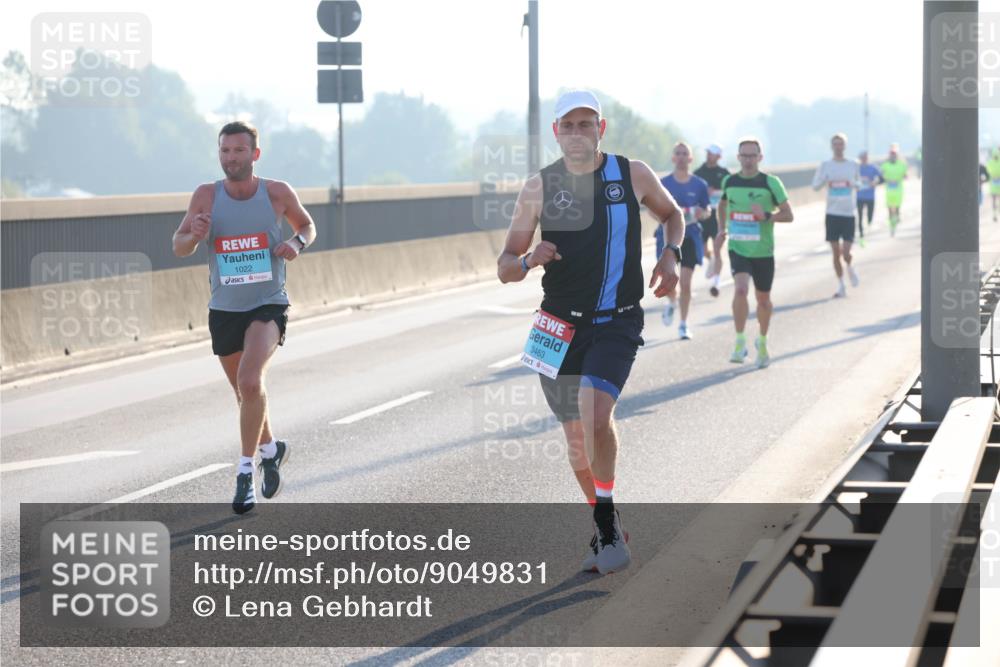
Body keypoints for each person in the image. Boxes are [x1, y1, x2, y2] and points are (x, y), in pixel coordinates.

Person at [497, 90, 682, 574]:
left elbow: (672, 215)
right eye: (568, 125)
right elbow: (505, 266)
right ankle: (607, 522)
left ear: (601, 128)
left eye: (586, 124)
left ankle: (606, 529)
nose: (577, 133)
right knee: (577, 441)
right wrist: (528, 260)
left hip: (616, 320)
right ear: (556, 132)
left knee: (595, 412)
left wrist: (670, 255)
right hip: (556, 327)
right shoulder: (538, 188)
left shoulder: (631, 173)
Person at [172, 121, 317, 515]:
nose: (231, 158)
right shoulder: (206, 196)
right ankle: (271, 449)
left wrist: (296, 242)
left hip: (268, 303)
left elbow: (307, 225)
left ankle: (244, 473)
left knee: (250, 380)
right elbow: (179, 246)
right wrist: (194, 234)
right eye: (225, 151)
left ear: (255, 154)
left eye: (238, 151)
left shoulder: (276, 192)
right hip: (225, 308)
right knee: (245, 393)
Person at [716, 137, 794, 368]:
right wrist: (721, 228)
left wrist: (767, 216)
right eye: (744, 155)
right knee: (740, 289)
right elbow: (722, 204)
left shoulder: (770, 183)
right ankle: (740, 341)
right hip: (738, 247)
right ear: (738, 157)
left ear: (760, 158)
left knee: (763, 300)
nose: (748, 160)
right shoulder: (730, 181)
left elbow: (789, 215)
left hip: (763, 251)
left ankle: (762, 340)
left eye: (752, 155)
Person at [657, 141, 711, 339]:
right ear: (673, 158)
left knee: (686, 283)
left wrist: (701, 213)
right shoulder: (662, 183)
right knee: (669, 283)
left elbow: (707, 209)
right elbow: (652, 210)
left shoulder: (699, 184)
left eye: (684, 154)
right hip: (667, 238)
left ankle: (683, 324)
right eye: (678, 153)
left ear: (690, 158)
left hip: (690, 237)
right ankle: (672, 302)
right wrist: (664, 218)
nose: (681, 157)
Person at [813, 133, 861, 298]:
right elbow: (815, 186)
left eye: (841, 144)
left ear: (845, 146)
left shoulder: (853, 164)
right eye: (835, 144)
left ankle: (850, 267)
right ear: (831, 146)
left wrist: (852, 183)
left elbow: (860, 184)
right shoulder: (825, 165)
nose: (838, 147)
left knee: (846, 252)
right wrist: (825, 180)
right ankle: (841, 285)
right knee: (835, 253)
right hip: (832, 213)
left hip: (848, 213)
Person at [695, 144, 731, 297]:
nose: (709, 155)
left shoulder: (724, 174)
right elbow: (693, 191)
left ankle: (716, 282)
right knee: (703, 250)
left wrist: (715, 191)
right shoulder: (698, 173)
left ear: (719, 156)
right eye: (708, 152)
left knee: (717, 249)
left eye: (712, 153)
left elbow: (731, 193)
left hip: (719, 217)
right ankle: (710, 260)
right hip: (703, 217)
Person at [880, 144, 908, 235]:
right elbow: (881, 175)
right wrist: (886, 179)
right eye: (891, 154)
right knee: (889, 210)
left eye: (894, 154)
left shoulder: (902, 164)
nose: (893, 155)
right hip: (889, 191)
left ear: (897, 155)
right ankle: (892, 227)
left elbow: (905, 176)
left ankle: (895, 222)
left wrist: (901, 177)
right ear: (889, 155)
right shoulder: (885, 165)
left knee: (896, 209)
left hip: (898, 190)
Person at [857, 150, 881, 234]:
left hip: (870, 196)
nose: (864, 159)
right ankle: (861, 231)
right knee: (860, 215)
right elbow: (851, 178)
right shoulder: (857, 168)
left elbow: (881, 178)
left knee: (869, 216)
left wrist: (875, 182)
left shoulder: (873, 167)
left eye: (865, 157)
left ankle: (869, 226)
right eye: (862, 157)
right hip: (859, 196)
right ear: (860, 158)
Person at [986, 149, 1000, 222]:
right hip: (994, 184)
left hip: (994, 183)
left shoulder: (990, 162)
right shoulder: (990, 162)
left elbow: (988, 171)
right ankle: (994, 214)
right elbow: (988, 170)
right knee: (994, 200)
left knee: (994, 200)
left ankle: (995, 214)